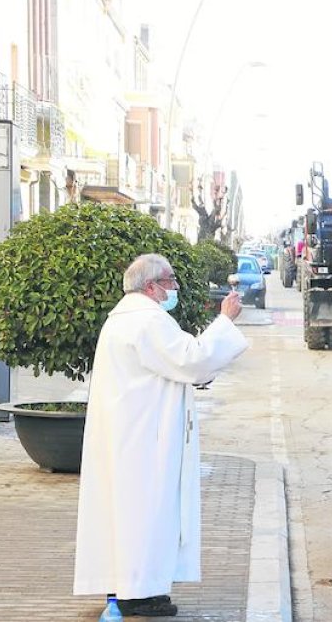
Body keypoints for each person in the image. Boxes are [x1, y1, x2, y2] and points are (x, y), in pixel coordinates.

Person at [73, 254, 250, 618]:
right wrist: (225, 319)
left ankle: (140, 591)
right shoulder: (146, 321)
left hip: (131, 433)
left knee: (132, 517)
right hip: (144, 439)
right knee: (145, 515)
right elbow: (193, 359)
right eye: (170, 281)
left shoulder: (126, 318)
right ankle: (136, 594)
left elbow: (180, 367)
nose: (175, 288)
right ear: (151, 286)